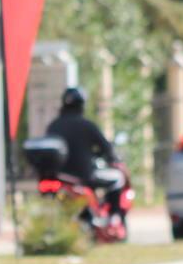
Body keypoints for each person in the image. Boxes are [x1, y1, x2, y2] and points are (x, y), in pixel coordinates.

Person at [45, 87, 125, 219]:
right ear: (82, 104)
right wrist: (113, 158)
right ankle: (114, 218)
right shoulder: (87, 125)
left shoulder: (53, 126)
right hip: (85, 175)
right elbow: (105, 147)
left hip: (59, 176)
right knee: (118, 178)